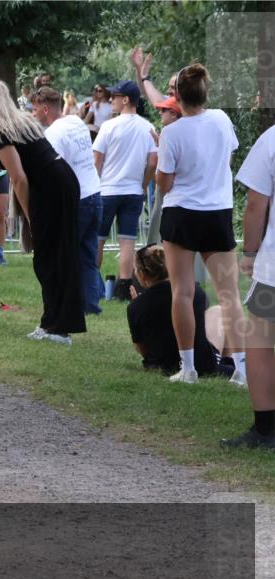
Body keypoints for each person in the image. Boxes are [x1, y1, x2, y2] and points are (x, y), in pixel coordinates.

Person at [0, 81, 84, 343]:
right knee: (50, 257)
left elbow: (19, 178)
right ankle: (50, 322)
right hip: (62, 181)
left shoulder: (3, 132)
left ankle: (60, 328)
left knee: (52, 258)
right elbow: (11, 159)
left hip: (51, 189)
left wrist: (30, 215)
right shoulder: (20, 123)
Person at [155, 63, 245, 385]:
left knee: (182, 291)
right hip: (217, 211)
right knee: (229, 294)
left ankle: (189, 368)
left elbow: (164, 184)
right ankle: (241, 370)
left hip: (181, 213)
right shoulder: (221, 119)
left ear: (178, 97)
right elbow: (227, 157)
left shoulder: (171, 133)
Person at [31, 86, 103, 316]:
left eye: (34, 110)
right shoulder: (76, 122)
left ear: (44, 109)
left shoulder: (52, 134)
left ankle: (67, 306)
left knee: (66, 256)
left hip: (76, 200)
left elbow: (56, 171)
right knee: (87, 255)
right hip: (94, 193)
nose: (33, 115)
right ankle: (90, 305)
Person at [224, 124, 275, 448]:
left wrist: (251, 254)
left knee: (260, 341)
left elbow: (256, 205)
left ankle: (266, 428)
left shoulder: (271, 139)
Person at [92, 80, 157, 301]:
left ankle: (94, 284)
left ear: (126, 100)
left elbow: (97, 159)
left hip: (107, 190)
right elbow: (152, 162)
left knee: (98, 239)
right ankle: (124, 288)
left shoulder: (109, 126)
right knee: (127, 241)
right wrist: (142, 184)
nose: (111, 99)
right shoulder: (147, 127)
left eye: (115, 96)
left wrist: (94, 183)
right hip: (132, 191)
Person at [127, 245, 230, 376]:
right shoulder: (194, 291)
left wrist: (138, 305)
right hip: (201, 363)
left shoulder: (135, 307)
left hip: (161, 365)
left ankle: (224, 362)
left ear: (141, 274)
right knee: (219, 312)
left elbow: (143, 350)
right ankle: (228, 361)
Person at [146, 96, 182, 244]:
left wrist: (161, 144)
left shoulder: (171, 133)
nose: (160, 113)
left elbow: (164, 178)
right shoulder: (173, 133)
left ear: (174, 113)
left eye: (164, 110)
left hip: (170, 196)